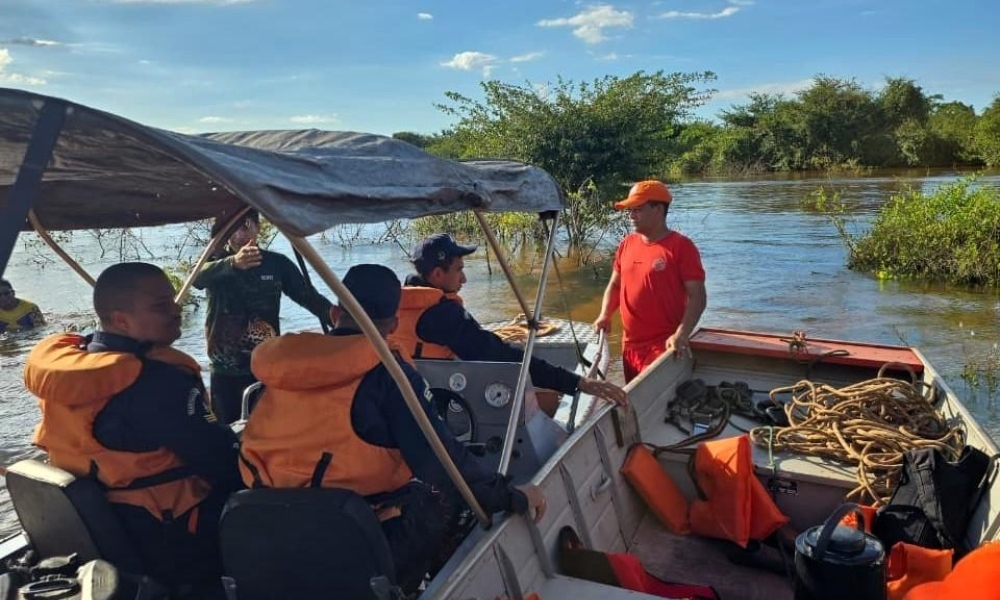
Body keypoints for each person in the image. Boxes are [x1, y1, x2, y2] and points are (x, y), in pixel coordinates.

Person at [239, 264, 546, 593]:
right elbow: (441, 462)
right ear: (395, 323)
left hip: (264, 529)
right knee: (439, 500)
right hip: (351, 541)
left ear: (334, 313)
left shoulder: (280, 373)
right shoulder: (389, 376)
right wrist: (512, 495)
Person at [24, 262, 242, 592]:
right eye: (161, 306)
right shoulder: (157, 381)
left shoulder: (74, 371)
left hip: (101, 530)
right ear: (121, 320)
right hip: (171, 537)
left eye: (173, 300)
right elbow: (219, 461)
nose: (176, 310)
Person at [392, 233, 627, 410]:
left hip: (412, 398)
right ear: (437, 274)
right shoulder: (444, 316)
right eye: (459, 270)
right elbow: (501, 356)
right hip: (442, 404)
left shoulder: (397, 305)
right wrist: (576, 382)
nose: (463, 279)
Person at [192, 210, 333, 424]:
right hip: (225, 368)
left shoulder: (276, 263)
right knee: (227, 430)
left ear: (258, 228)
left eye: (245, 227)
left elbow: (309, 298)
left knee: (270, 425)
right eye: (232, 230)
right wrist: (232, 263)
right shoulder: (214, 261)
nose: (239, 235)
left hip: (266, 364)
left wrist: (342, 320)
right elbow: (195, 280)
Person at [594, 180, 707, 383]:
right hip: (630, 345)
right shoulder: (627, 244)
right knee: (632, 398)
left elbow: (698, 296)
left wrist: (681, 335)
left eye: (637, 210)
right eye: (630, 210)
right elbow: (615, 285)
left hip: (663, 345)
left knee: (648, 397)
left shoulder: (681, 247)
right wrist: (605, 314)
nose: (631, 216)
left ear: (658, 210)